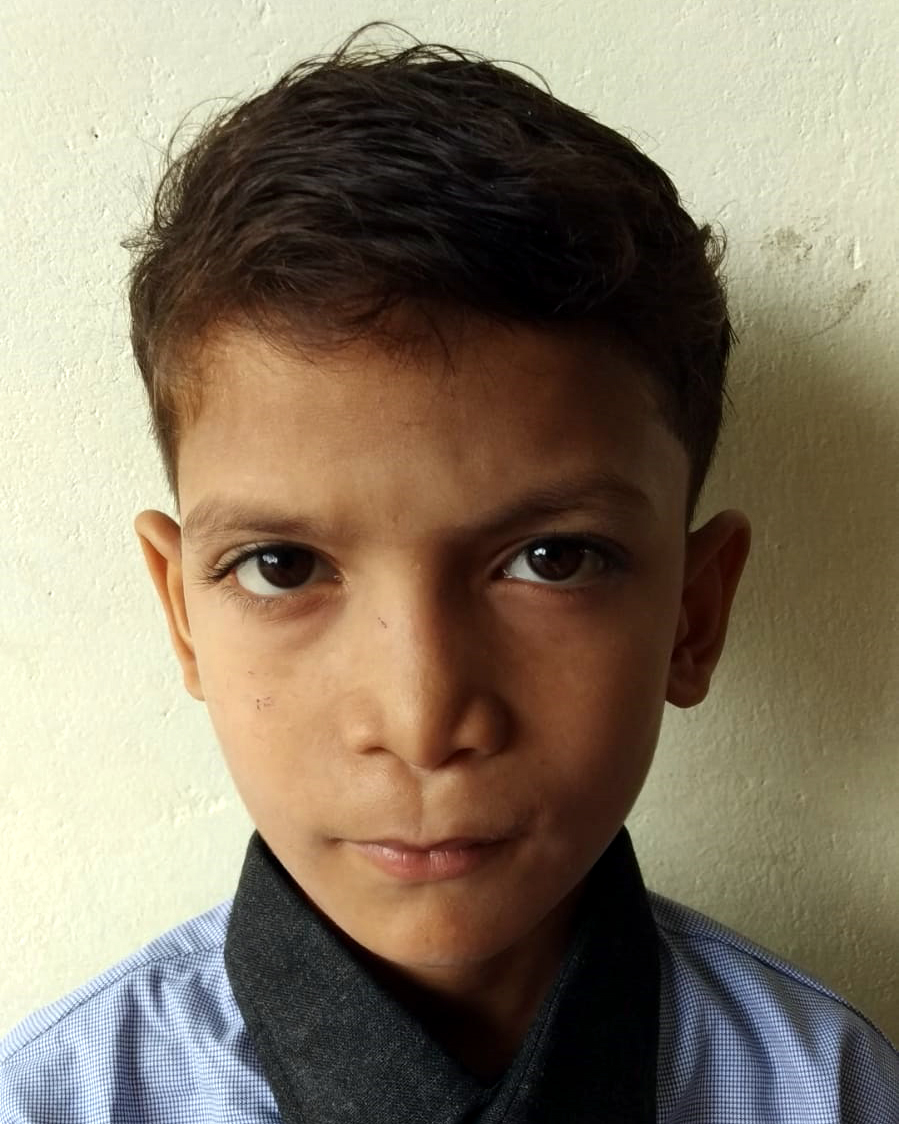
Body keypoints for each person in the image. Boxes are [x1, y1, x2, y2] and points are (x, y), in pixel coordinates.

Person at [1, 27, 896, 1124]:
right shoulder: (54, 1098)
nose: (422, 720)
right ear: (183, 612)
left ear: (691, 614)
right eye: (282, 565)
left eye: (551, 560)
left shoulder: (827, 1088)